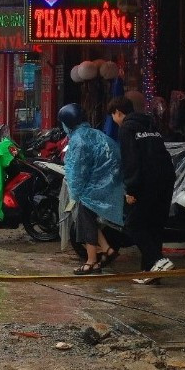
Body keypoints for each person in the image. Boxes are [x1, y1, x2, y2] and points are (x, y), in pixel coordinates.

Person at [109, 96, 177, 284]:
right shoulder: (151, 124)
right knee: (154, 225)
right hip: (165, 179)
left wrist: (131, 188)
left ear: (118, 113)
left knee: (134, 225)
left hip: (147, 182)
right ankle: (149, 271)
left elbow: (131, 160)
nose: (113, 120)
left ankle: (157, 260)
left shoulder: (126, 128)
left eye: (113, 116)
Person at [59, 103, 124, 275]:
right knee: (89, 218)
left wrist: (76, 192)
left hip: (94, 187)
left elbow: (77, 171)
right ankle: (106, 249)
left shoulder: (78, 140)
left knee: (85, 219)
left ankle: (91, 261)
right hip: (110, 185)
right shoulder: (95, 134)